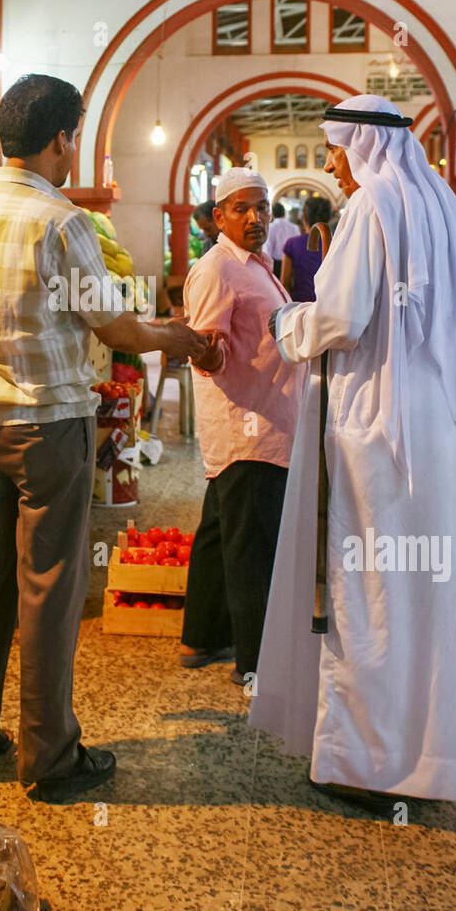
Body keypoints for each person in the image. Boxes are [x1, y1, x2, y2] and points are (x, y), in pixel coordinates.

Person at [0, 74, 207, 800]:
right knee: (49, 587)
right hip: (46, 427)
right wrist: (174, 335)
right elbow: (114, 327)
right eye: (74, 136)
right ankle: (50, 758)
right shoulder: (60, 221)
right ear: (60, 140)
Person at [252, 94, 456, 801]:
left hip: (382, 429)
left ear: (364, 146)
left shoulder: (371, 208)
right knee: (432, 594)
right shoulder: (446, 209)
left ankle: (368, 763)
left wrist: (285, 324)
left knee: (370, 590)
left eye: (336, 148)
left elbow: (339, 317)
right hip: (442, 430)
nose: (332, 161)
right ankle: (437, 755)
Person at [180, 169, 306, 684]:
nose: (256, 218)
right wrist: (208, 352)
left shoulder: (254, 265)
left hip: (263, 421)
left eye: (263, 207)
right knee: (252, 545)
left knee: (219, 534)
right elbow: (210, 349)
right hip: (248, 429)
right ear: (219, 216)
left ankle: (201, 638)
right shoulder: (216, 271)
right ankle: (255, 665)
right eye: (242, 209)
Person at [281, 195, 332, 302]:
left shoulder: (292, 244)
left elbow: (285, 283)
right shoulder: (337, 244)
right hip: (329, 305)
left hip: (300, 305)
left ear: (304, 218)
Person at [266, 201, 300, 278]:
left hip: (277, 264)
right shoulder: (294, 227)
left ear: (273, 214)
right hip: (292, 263)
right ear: (284, 213)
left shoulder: (271, 227)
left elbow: (269, 248)